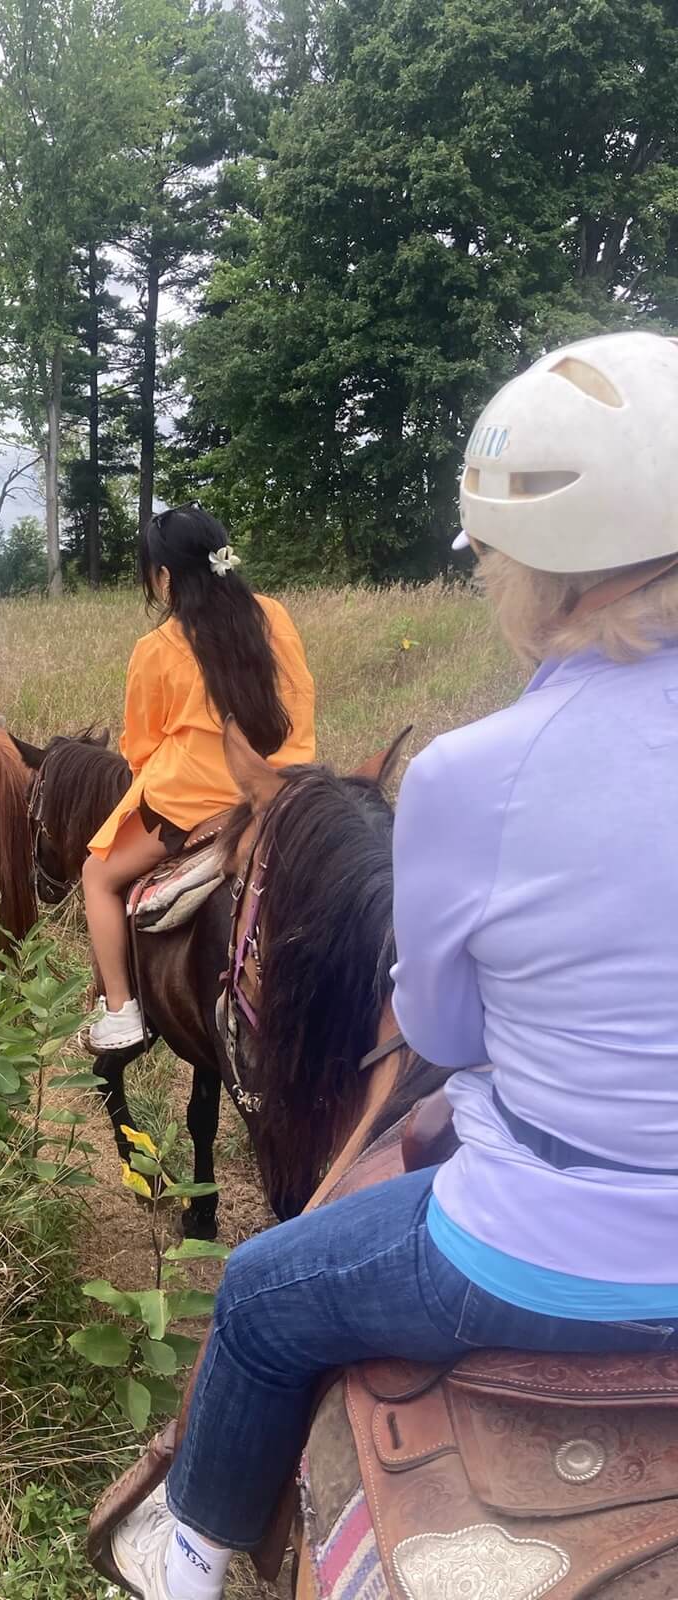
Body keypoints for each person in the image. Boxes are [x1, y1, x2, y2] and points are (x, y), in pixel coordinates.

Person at [106, 330, 678, 1600]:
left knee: (258, 1292)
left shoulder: (472, 776)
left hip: (543, 1253)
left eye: (486, 555)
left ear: (545, 573)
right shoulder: (282, 627)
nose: (481, 576)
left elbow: (442, 1025)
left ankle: (187, 1554)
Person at [82, 505, 315, 1053]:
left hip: (188, 806)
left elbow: (141, 744)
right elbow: (300, 703)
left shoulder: (157, 648)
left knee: (97, 875)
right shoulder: (273, 616)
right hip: (278, 791)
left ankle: (120, 1011)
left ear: (165, 577)